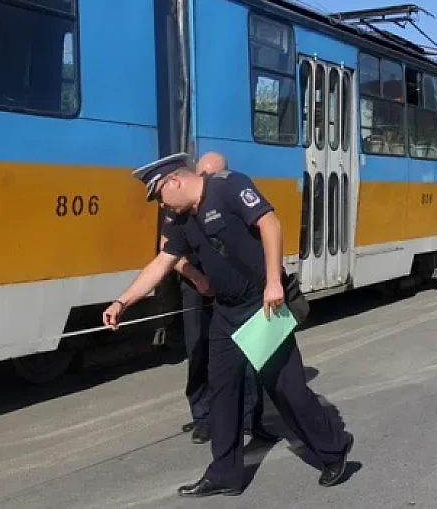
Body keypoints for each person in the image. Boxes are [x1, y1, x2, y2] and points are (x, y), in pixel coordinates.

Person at [103, 153, 353, 497]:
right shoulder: (182, 221)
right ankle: (225, 473)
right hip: (225, 313)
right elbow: (161, 263)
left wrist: (273, 283)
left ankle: (334, 449)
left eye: (160, 194)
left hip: (262, 306)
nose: (161, 203)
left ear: (175, 180)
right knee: (222, 391)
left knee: (286, 389)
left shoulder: (230, 186)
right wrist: (121, 303)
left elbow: (270, 223)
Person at [163, 151, 273, 444]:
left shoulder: (230, 190)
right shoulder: (178, 205)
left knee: (250, 352)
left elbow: (262, 229)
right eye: (206, 175)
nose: (211, 180)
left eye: (215, 175)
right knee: (199, 349)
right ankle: (203, 416)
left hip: (235, 287)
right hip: (197, 283)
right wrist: (198, 279)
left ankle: (251, 417)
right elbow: (167, 253)